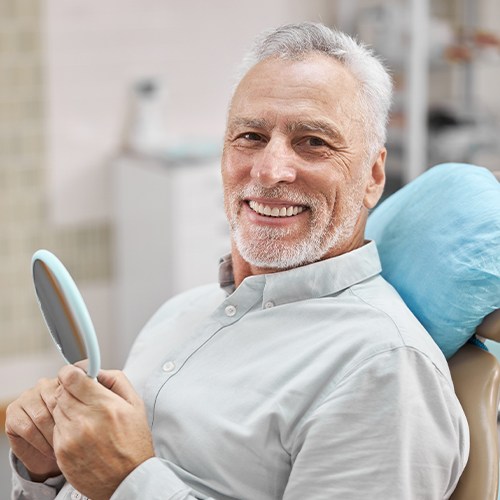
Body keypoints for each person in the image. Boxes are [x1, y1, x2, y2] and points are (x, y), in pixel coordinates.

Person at [6, 22, 468, 500]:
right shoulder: (181, 313)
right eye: (250, 136)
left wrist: (128, 481)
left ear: (373, 176)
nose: (269, 171)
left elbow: (121, 481)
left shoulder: (383, 370)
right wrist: (48, 474)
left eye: (313, 142)